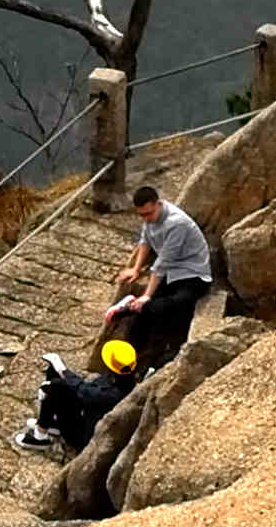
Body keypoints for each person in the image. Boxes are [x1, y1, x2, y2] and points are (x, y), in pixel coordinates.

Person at [21, 184, 217, 452]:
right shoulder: (122, 386)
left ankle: (42, 434)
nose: (146, 219)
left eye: (149, 213)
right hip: (173, 275)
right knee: (157, 309)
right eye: (142, 215)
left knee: (169, 306)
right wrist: (135, 270)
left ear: (158, 204)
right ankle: (137, 310)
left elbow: (162, 265)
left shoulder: (176, 224)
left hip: (192, 275)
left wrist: (146, 297)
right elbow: (145, 242)